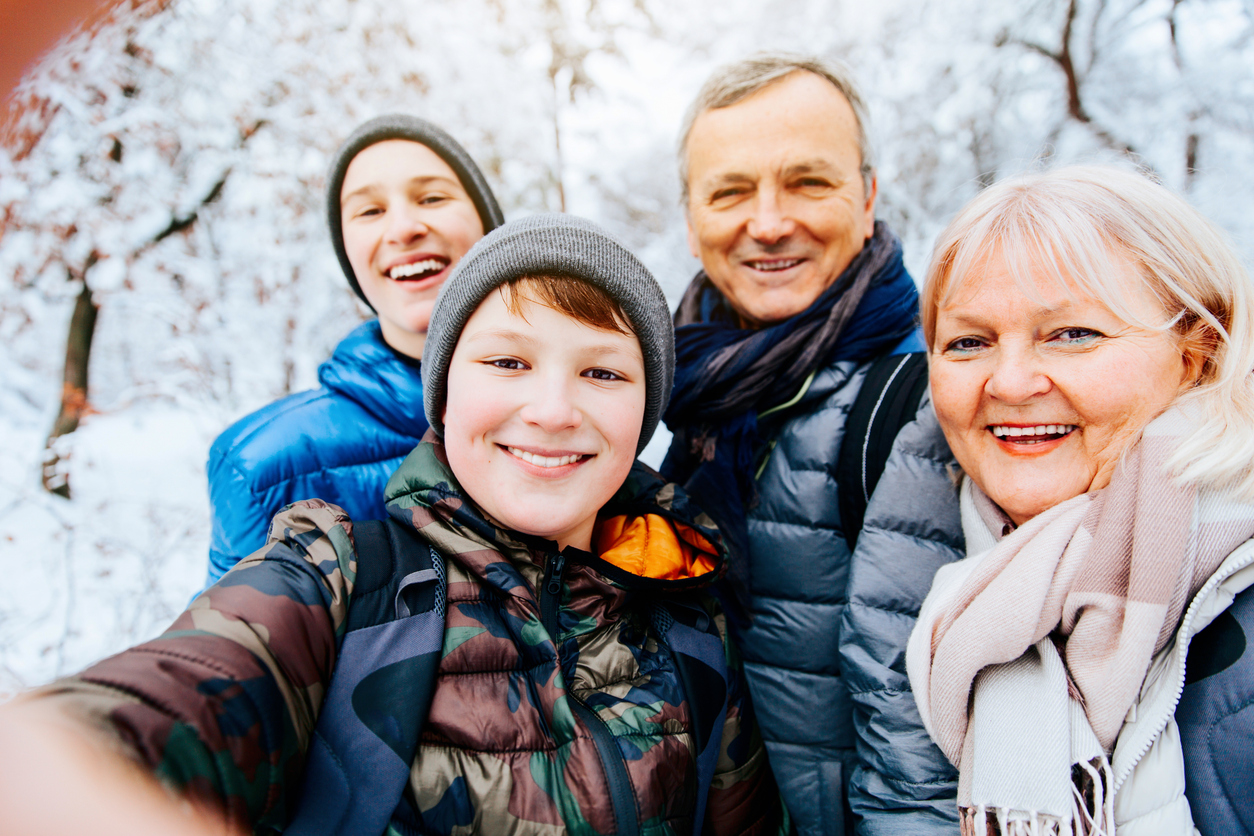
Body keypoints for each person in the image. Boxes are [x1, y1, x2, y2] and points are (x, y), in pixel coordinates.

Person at [0, 214, 789, 836]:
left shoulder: (687, 616)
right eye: (508, 362)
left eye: (603, 372)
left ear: (643, 413)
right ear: (443, 396)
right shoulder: (342, 583)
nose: (552, 410)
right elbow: (168, 705)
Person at [861, 164, 1254, 835]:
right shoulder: (920, 579)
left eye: (1072, 333)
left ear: (1198, 351)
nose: (1010, 382)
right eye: (969, 342)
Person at [661, 52, 938, 835]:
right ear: (691, 219)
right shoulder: (680, 397)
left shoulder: (940, 404)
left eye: (809, 182)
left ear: (869, 195)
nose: (771, 221)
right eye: (731, 191)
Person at [204, 113, 504, 586]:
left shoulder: (569, 414)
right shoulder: (262, 470)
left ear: (489, 228)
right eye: (369, 211)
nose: (404, 228)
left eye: (432, 197)